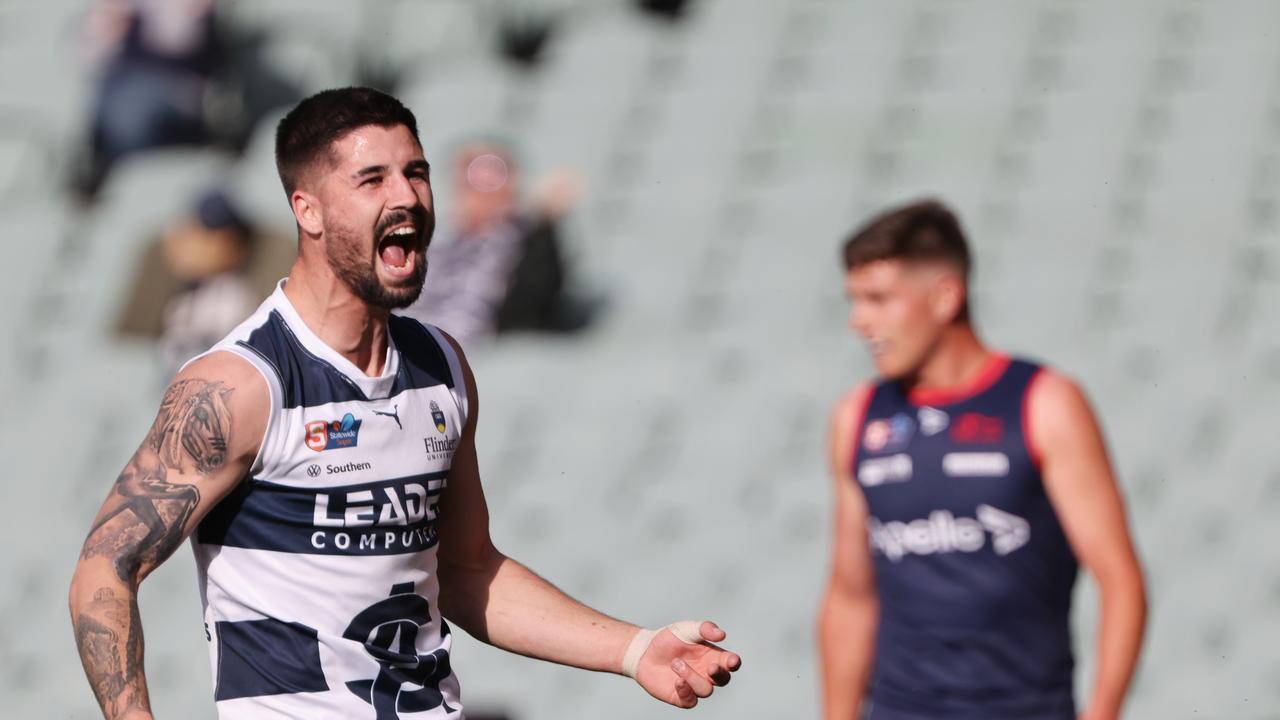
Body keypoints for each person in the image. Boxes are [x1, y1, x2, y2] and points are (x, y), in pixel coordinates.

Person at [69, 87, 739, 719]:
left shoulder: (441, 365)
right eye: (374, 179)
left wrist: (632, 649)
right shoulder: (242, 383)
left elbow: (469, 570)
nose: (410, 197)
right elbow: (106, 564)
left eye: (416, 173)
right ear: (308, 211)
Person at [817, 200, 1146, 720]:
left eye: (878, 299)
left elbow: (1120, 579)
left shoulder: (1044, 403)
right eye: (854, 301)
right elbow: (851, 596)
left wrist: (1102, 712)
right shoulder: (858, 417)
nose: (860, 322)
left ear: (946, 296)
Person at [407, 141, 580, 351]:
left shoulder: (526, 242)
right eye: (472, 174)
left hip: (465, 353)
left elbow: (535, 300)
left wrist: (545, 224)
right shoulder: (431, 239)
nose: (482, 186)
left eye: (495, 174)